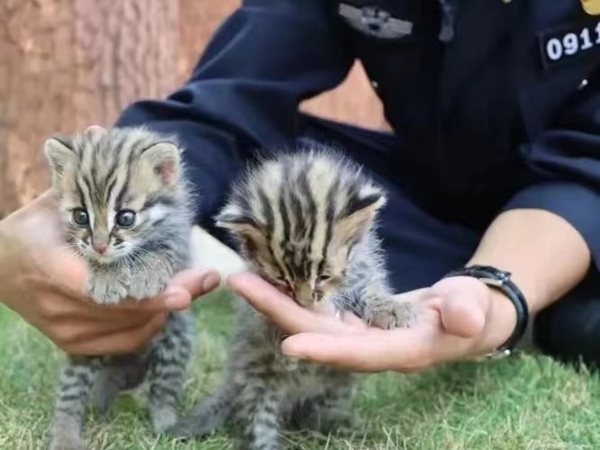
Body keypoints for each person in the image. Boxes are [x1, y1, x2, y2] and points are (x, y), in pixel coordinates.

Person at [1, 0, 599, 371]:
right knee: (261, 185)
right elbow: (225, 106)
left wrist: (497, 289)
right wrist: (74, 213)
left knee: (582, 327)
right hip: (436, 201)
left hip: (577, 214)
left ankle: (542, 305)